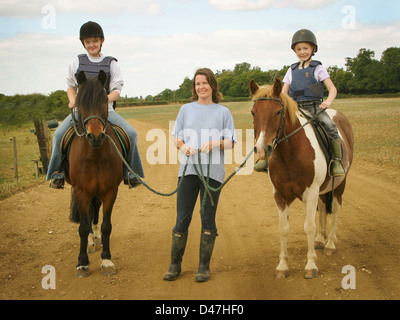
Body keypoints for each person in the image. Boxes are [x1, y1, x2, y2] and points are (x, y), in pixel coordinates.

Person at [46, 21, 144, 189]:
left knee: (132, 134)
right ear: (83, 43)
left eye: (95, 41)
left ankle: (131, 173)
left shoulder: (111, 63)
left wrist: (104, 100)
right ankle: (57, 173)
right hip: (81, 111)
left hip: (105, 110)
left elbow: (117, 89)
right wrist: (72, 99)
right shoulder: (77, 62)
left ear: (102, 41)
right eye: (88, 42)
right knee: (58, 135)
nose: (91, 45)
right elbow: (70, 85)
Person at [163, 68, 236, 282]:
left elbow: (231, 143)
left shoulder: (223, 112)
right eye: (197, 84)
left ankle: (203, 267)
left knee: (207, 219)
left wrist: (216, 143)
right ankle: (175, 265)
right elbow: (177, 138)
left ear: (212, 85)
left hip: (212, 174)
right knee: (182, 219)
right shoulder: (186, 110)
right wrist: (183, 147)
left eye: (204, 83)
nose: (201, 87)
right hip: (188, 172)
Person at [254, 29, 345, 177]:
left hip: (315, 107)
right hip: (295, 108)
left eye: (306, 48)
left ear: (313, 49)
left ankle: (336, 160)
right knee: (276, 127)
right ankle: (264, 157)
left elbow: (332, 89)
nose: (302, 52)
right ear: (295, 51)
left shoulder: (318, 68)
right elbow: (283, 93)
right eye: (299, 49)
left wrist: (328, 101)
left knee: (330, 126)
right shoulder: (292, 70)